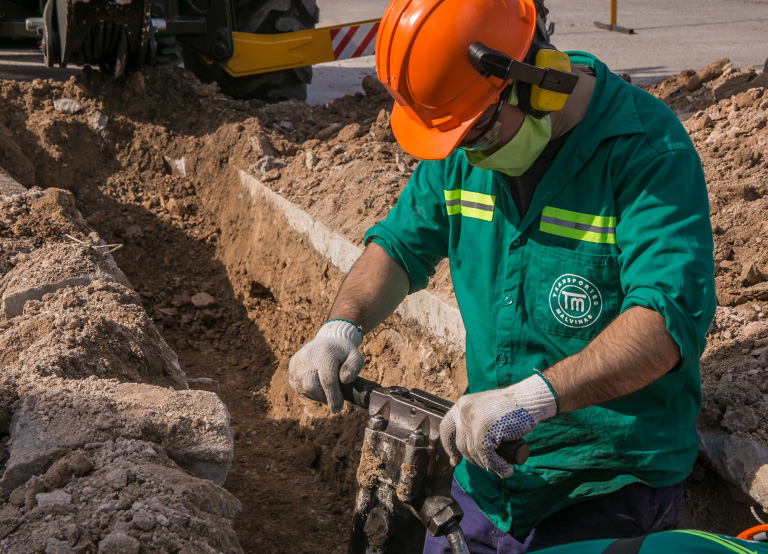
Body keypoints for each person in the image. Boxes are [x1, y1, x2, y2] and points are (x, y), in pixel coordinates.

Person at [288, 0, 716, 551]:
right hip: (485, 474)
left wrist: (532, 400)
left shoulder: (646, 152)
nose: (470, 151)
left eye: (479, 131)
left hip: (606, 485)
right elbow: (399, 247)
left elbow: (665, 323)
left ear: (537, 80)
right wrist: (340, 328)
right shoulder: (465, 131)